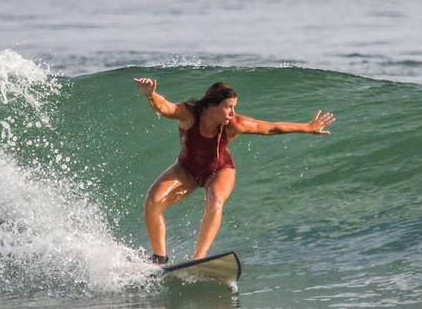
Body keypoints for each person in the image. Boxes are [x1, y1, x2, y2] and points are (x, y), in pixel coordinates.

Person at [133, 78, 335, 264]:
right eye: (228, 107)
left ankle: (198, 259)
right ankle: (159, 258)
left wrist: (308, 128)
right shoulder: (189, 114)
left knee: (216, 201)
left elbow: (271, 128)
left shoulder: (234, 124)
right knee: (153, 202)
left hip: (220, 170)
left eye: (234, 108)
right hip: (187, 168)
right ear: (212, 105)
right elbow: (165, 108)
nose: (232, 112)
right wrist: (150, 94)